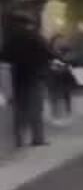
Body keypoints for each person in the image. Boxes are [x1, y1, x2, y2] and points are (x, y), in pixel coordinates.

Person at [1, 11, 53, 148]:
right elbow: (48, 53)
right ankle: (37, 138)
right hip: (35, 76)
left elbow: (4, 56)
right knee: (36, 108)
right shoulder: (35, 36)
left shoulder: (11, 39)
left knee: (19, 109)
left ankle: (19, 139)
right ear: (28, 23)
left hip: (18, 77)